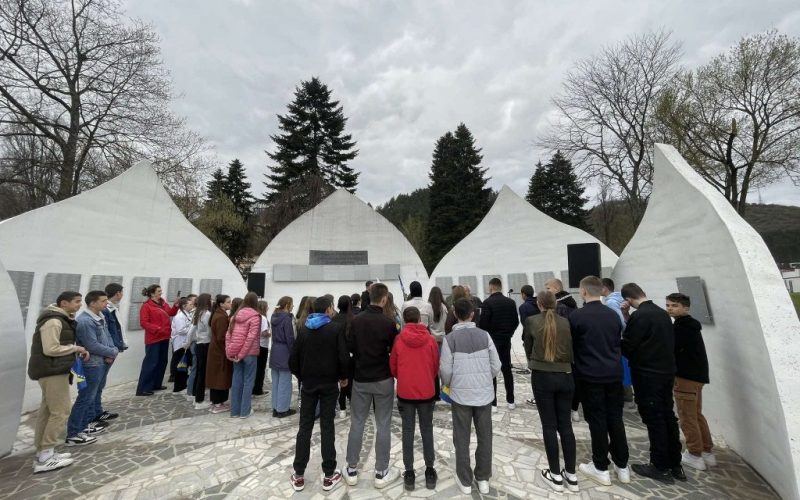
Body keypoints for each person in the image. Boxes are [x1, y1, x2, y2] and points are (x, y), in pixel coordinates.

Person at [569, 276, 630, 486]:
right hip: (614, 374)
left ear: (584, 292)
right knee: (615, 418)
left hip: (589, 376)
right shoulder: (613, 315)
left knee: (597, 420)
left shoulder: (577, 316)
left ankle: (601, 466)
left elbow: (573, 347)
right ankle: (622, 466)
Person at [621, 283, 684, 483]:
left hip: (648, 375)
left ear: (628, 300)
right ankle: (675, 463)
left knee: (654, 419)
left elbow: (629, 345)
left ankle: (659, 466)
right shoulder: (661, 313)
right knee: (668, 417)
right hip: (666, 373)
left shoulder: (640, 316)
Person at [440, 298, 501, 495]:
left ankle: (465, 480)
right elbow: (496, 365)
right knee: (485, 437)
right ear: (472, 314)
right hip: (484, 395)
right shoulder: (485, 335)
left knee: (462, 437)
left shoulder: (450, 339)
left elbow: (445, 370)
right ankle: (483, 477)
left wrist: (449, 384)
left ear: (455, 315)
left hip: (460, 396)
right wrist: (484, 379)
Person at [289, 296, 349, 492]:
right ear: (328, 310)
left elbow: (293, 360)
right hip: (329, 384)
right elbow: (342, 356)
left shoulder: (303, 329)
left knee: (304, 427)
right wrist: (343, 376)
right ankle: (329, 474)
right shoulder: (335, 329)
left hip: (309, 384)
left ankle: (298, 474)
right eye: (331, 308)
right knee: (327, 426)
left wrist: (302, 376)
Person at [345, 283, 400, 489]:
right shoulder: (388, 323)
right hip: (383, 378)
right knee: (383, 423)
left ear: (369, 295)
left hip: (361, 378)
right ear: (384, 299)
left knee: (357, 422)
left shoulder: (356, 321)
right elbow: (393, 350)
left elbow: (350, 346)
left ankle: (351, 469)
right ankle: (381, 470)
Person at [522, 291, 578, 493]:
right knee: (566, 426)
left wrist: (533, 361)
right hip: (565, 374)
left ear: (539, 304)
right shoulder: (566, 322)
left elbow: (527, 345)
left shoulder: (531, 321)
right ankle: (571, 475)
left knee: (549, 425)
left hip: (542, 375)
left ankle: (555, 474)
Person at [27, 291, 89, 472]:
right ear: (64, 303)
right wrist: (75, 348)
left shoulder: (59, 319)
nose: (79, 305)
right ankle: (46, 455)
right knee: (61, 411)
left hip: (54, 369)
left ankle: (43, 451)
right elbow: (51, 348)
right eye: (76, 302)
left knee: (48, 411)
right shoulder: (54, 321)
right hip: (52, 370)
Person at [390, 306, 440, 491]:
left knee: (408, 430)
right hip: (426, 391)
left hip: (406, 392)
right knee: (427, 429)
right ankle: (429, 470)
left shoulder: (399, 339)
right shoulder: (430, 340)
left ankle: (409, 472)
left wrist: (402, 378)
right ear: (420, 319)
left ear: (404, 319)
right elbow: (435, 366)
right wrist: (426, 377)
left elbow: (393, 366)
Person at [666, 292, 715, 471]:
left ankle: (695, 454)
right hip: (697, 377)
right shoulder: (690, 326)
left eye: (674, 306)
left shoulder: (681, 328)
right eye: (668, 305)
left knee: (687, 416)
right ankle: (707, 451)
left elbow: (672, 348)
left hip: (686, 377)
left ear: (686, 308)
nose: (670, 308)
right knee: (696, 414)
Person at [66, 290, 119, 446]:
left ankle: (85, 425)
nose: (106, 303)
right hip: (92, 364)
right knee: (86, 397)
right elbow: (91, 344)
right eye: (103, 301)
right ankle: (74, 432)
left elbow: (107, 337)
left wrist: (111, 351)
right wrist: (112, 351)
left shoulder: (100, 317)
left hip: (101, 360)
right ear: (93, 303)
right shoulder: (85, 321)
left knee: (93, 394)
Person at [479, 277, 520, 411]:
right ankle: (511, 400)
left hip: (492, 341)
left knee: (492, 371)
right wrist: (509, 334)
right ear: (500, 287)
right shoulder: (511, 302)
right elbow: (515, 321)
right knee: (507, 369)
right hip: (506, 340)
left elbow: (483, 325)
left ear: (491, 288)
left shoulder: (487, 303)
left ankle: (494, 403)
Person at [136, 284, 180, 396]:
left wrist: (175, 305)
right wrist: (158, 329)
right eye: (159, 291)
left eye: (161, 290)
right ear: (152, 293)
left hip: (164, 337)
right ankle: (143, 388)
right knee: (151, 363)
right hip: (154, 338)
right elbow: (144, 322)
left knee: (162, 362)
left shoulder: (163, 303)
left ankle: (156, 384)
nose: (161, 292)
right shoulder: (146, 306)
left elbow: (171, 313)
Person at [226, 292, 261, 418]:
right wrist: (242, 354)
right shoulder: (256, 316)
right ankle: (245, 411)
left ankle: (234, 411)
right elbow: (251, 337)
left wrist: (229, 352)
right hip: (249, 354)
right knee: (248, 381)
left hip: (235, 353)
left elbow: (228, 335)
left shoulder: (235, 316)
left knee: (236, 381)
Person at [94, 283, 125, 425]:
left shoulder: (110, 308)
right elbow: (105, 333)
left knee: (101, 383)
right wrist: (111, 350)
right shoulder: (106, 311)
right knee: (97, 384)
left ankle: (97, 411)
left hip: (112, 349)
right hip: (108, 351)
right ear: (118, 293)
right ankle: (94, 414)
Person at [602, 278, 634, 408]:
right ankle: (628, 397)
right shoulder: (618, 299)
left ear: (604, 288)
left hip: (618, 340)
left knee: (623, 369)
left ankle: (627, 399)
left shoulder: (610, 302)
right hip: (623, 340)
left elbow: (619, 322)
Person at [270, 296, 297, 418]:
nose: (292, 306)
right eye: (291, 304)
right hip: (284, 350)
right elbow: (290, 338)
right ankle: (282, 409)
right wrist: (294, 353)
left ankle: (275, 407)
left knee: (276, 381)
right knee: (285, 382)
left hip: (275, 349)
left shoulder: (274, 316)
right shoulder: (286, 319)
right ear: (287, 305)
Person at [207, 294, 233, 414]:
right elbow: (221, 337)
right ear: (221, 304)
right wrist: (229, 349)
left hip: (216, 350)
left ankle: (216, 402)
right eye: (228, 302)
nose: (230, 304)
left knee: (217, 376)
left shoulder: (218, 314)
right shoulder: (221, 317)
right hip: (219, 351)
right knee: (219, 377)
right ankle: (217, 403)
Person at [332, 295, 354, 418]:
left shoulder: (334, 319)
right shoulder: (352, 319)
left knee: (341, 381)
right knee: (349, 381)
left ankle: (342, 407)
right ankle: (347, 405)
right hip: (350, 354)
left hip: (336, 354)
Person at [189, 293, 212, 409]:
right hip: (205, 344)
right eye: (210, 299)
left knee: (198, 371)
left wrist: (187, 343)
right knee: (202, 373)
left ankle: (195, 396)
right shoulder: (207, 314)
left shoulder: (197, 313)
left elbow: (191, 330)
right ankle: (199, 400)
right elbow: (209, 331)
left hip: (198, 344)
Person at [170, 297, 193, 393]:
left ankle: (183, 385)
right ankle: (178, 387)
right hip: (180, 344)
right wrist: (192, 329)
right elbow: (181, 330)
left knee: (184, 365)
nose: (192, 305)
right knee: (180, 366)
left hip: (185, 344)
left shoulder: (187, 314)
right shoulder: (179, 317)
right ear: (184, 306)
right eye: (190, 304)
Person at [253, 300, 271, 397]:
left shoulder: (256, 316)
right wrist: (270, 334)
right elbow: (263, 332)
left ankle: (255, 388)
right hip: (262, 345)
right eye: (267, 306)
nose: (268, 308)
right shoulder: (263, 318)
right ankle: (258, 389)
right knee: (261, 368)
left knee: (257, 368)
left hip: (256, 344)